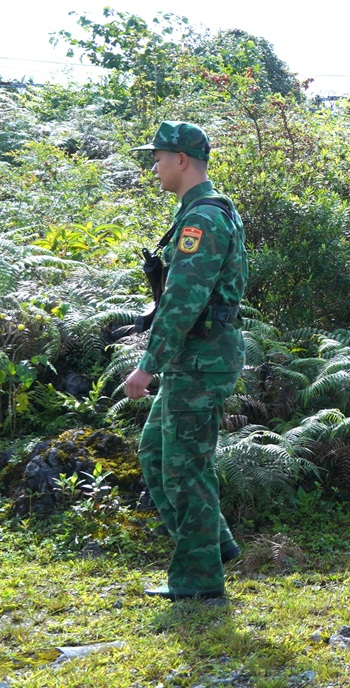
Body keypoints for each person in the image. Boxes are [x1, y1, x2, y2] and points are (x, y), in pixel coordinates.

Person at [122, 121, 247, 600]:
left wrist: (146, 365)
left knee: (185, 468)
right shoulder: (197, 212)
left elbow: (183, 301)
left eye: (157, 157)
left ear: (181, 160)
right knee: (156, 455)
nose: (153, 166)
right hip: (192, 359)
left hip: (199, 361)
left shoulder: (203, 220)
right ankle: (214, 545)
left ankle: (198, 581)